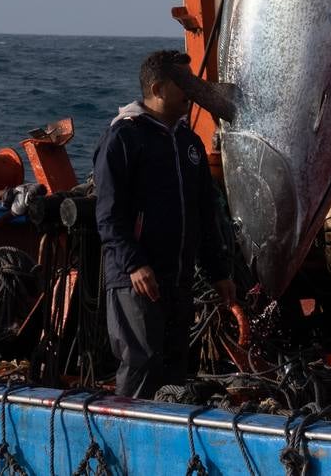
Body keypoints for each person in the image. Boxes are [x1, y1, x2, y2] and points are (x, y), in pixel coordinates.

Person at [94, 50, 235, 399]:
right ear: (157, 88)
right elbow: (108, 215)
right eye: (183, 83)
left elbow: (204, 211)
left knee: (175, 367)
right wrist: (135, 264)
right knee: (142, 360)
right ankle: (128, 441)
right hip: (136, 280)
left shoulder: (189, 142)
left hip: (179, 278)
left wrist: (219, 272)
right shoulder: (123, 138)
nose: (193, 90)